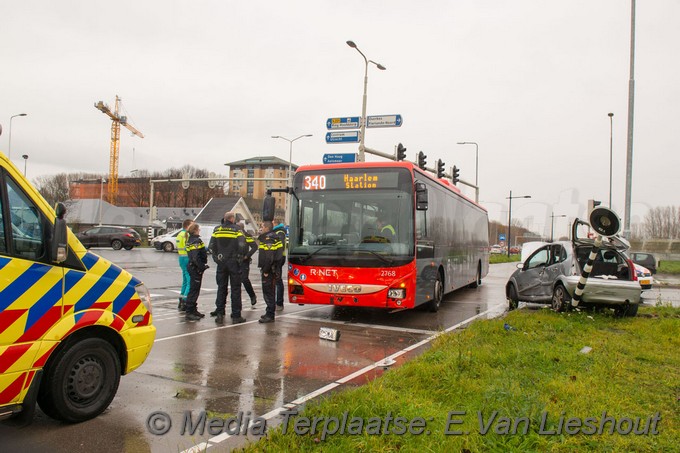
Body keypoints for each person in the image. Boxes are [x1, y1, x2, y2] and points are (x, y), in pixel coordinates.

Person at [208, 211, 246, 324]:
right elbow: (242, 246)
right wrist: (240, 258)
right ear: (232, 219)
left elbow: (211, 246)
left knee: (221, 288)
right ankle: (236, 315)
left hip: (221, 262)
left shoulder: (217, 229)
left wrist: (216, 259)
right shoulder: (237, 230)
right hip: (233, 262)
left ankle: (219, 313)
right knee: (235, 288)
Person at [257, 221, 283, 323]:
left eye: (262, 226)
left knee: (268, 292)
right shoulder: (274, 237)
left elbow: (269, 256)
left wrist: (266, 270)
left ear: (267, 228)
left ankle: (270, 315)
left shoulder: (269, 239)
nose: (261, 228)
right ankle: (269, 311)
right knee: (269, 291)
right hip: (273, 268)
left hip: (269, 270)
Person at [185, 222, 208, 321]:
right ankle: (189, 311)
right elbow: (195, 257)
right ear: (195, 230)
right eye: (198, 229)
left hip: (193, 267)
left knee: (195, 289)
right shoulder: (195, 241)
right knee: (194, 290)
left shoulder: (191, 239)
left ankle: (193, 309)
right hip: (195, 268)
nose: (200, 231)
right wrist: (201, 267)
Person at [237, 220, 258, 307]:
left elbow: (254, 246)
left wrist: (247, 256)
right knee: (236, 281)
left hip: (244, 260)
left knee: (244, 279)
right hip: (235, 260)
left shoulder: (247, 236)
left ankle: (252, 295)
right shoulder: (234, 236)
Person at [176, 219, 193, 312]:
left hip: (181, 258)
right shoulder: (186, 235)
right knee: (189, 281)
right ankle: (185, 300)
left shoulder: (179, 234)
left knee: (185, 280)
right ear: (188, 226)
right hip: (187, 258)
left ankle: (181, 297)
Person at [272, 218, 287, 311]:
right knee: (276, 280)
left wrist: (276, 258)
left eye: (273, 223)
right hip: (279, 258)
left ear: (276, 223)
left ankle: (279, 302)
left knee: (278, 280)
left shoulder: (279, 232)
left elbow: (279, 246)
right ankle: (278, 302)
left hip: (279, 258)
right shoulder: (278, 231)